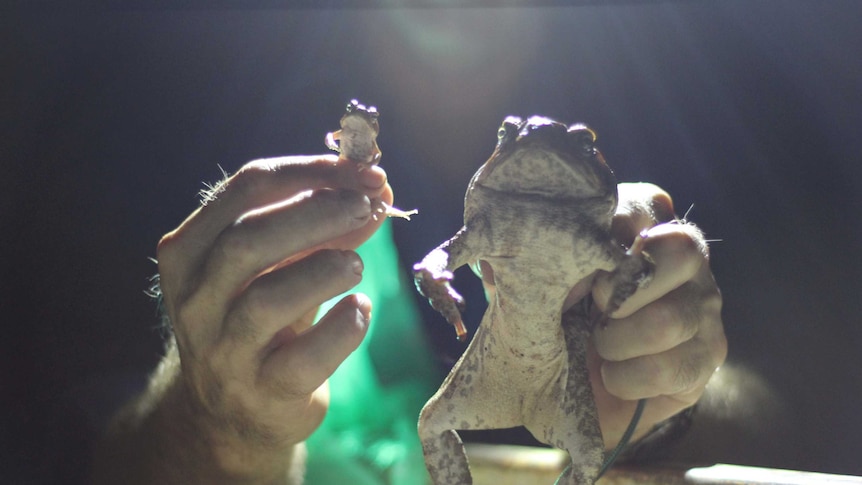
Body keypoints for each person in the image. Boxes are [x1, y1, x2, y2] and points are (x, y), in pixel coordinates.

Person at [92, 154, 726, 484]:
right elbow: (64, 441)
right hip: (484, 378)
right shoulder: (238, 92)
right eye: (512, 140)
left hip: (564, 388)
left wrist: (660, 371)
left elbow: (779, 397)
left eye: (577, 144)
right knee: (436, 423)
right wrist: (211, 426)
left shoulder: (652, 82)